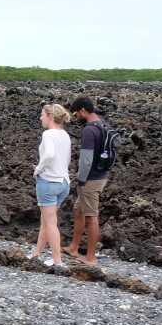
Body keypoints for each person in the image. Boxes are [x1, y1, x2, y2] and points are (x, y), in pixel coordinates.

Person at [65, 97, 110, 265]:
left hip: (90, 179)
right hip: (101, 175)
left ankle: (91, 258)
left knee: (91, 216)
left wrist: (81, 180)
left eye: (75, 114)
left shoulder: (89, 130)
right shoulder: (103, 125)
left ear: (83, 110)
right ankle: (73, 248)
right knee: (78, 210)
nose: (76, 118)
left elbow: (86, 160)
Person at [30, 104, 72, 266]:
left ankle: (57, 261)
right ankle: (36, 254)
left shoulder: (48, 134)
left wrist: (38, 169)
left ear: (50, 117)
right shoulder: (65, 135)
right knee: (46, 220)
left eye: (42, 115)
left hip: (49, 182)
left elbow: (49, 155)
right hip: (64, 183)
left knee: (50, 222)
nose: (40, 118)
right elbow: (66, 160)